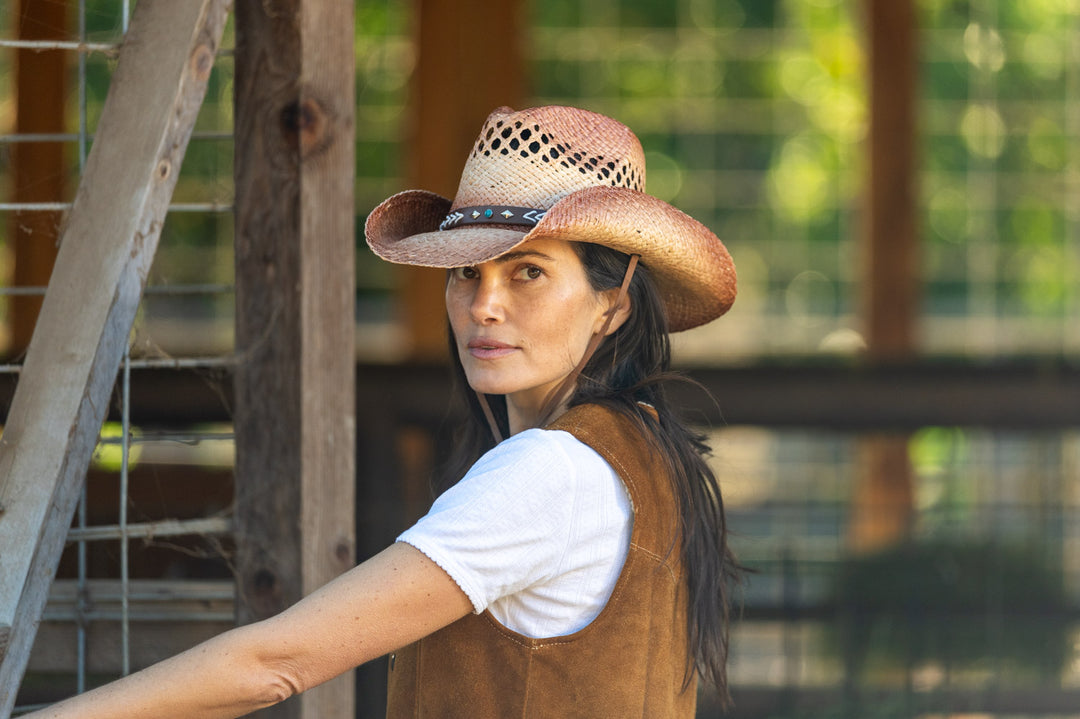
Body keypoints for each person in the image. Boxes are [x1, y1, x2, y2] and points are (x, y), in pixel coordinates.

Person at [25, 105, 739, 718]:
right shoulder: (643, 452)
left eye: (529, 271)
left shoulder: (550, 472)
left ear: (613, 303)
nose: (484, 304)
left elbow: (276, 662)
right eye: (467, 272)